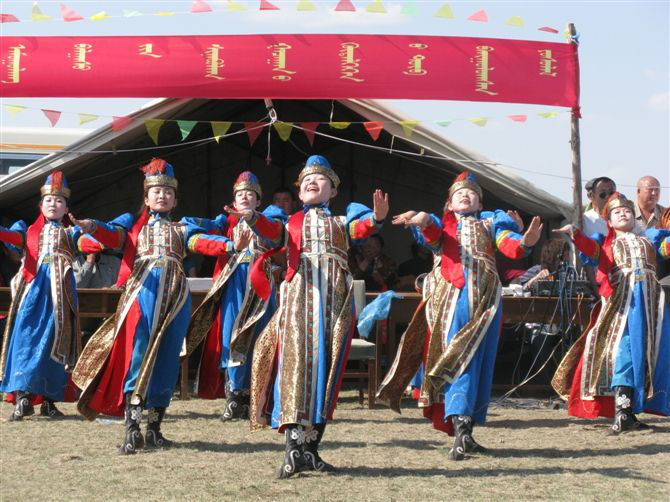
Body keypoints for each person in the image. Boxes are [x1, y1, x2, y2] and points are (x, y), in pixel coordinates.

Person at [230, 154, 389, 478]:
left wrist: (377, 218)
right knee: (296, 369)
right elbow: (270, 230)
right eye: (306, 181)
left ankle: (311, 450)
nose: (312, 183)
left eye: (320, 179)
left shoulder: (342, 222)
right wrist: (252, 217)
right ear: (299, 192)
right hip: (299, 303)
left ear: (334, 191)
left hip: (334, 305)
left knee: (326, 372)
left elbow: (363, 227)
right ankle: (293, 449)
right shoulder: (289, 223)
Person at [71, 158, 234, 454]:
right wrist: (91, 226)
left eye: (168, 192)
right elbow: (110, 235)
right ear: (146, 198)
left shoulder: (183, 229)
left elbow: (202, 242)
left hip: (176, 299)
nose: (162, 195)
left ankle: (155, 429)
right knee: (138, 354)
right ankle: (132, 428)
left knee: (168, 358)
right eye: (156, 191)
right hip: (142, 296)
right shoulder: (134, 230)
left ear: (175, 200)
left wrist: (228, 245)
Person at [377, 171, 542, 460]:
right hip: (453, 299)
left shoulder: (491, 224)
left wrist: (525, 242)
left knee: (480, 361)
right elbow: (431, 236)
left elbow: (509, 245)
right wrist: (423, 219)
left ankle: (466, 430)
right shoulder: (444, 226)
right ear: (449, 204)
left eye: (472, 193)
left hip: (487, 302)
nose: (465, 195)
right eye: (458, 193)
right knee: (459, 358)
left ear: (480, 204)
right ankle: (461, 428)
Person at [552, 193, 670, 433]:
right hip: (624, 306)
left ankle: (631, 412)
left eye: (627, 211)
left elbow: (666, 249)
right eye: (617, 212)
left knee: (652, 354)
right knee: (625, 353)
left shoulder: (649, 238)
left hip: (651, 307)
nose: (623, 214)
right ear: (609, 221)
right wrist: (575, 233)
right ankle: (622, 412)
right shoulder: (607, 244)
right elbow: (590, 249)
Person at [184, 171, 287, 421]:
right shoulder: (226, 223)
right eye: (240, 194)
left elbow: (279, 232)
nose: (244, 197)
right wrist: (225, 243)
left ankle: (257, 397)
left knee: (261, 336)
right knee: (232, 335)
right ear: (233, 200)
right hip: (234, 284)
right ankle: (234, 397)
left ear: (258, 201)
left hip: (261, 285)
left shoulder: (269, 218)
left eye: (250, 194)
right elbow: (193, 228)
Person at [0, 172, 103, 420]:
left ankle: (49, 400)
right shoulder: (28, 231)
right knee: (26, 338)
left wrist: (88, 231)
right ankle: (23, 396)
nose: (53, 204)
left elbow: (92, 244)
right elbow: (10, 237)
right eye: (49, 200)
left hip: (61, 297)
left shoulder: (71, 233)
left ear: (66, 208)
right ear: (40, 205)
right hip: (33, 293)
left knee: (57, 340)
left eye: (59, 201)